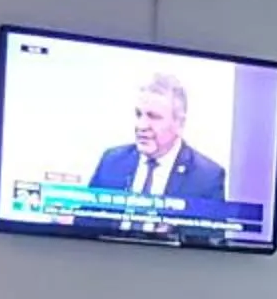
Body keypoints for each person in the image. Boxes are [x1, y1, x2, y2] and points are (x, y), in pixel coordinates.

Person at [91, 72, 226, 206]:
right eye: (138, 114)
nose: (141, 126)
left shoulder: (206, 177)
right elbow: (85, 222)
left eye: (153, 116)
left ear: (179, 123)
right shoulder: (112, 161)